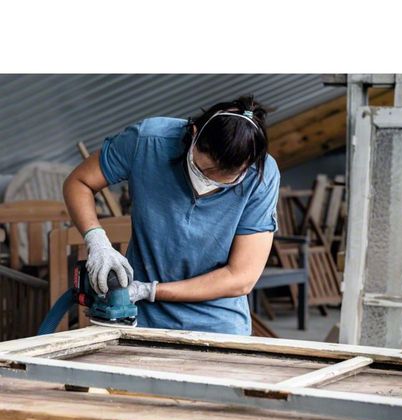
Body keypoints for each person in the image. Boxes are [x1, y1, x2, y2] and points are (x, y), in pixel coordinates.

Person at [63, 95, 280, 335]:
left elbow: (241, 277)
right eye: (204, 171)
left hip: (218, 323)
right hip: (140, 318)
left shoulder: (261, 175)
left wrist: (149, 290)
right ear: (194, 133)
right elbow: (79, 182)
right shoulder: (147, 141)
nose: (208, 183)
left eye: (225, 181)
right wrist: (97, 241)